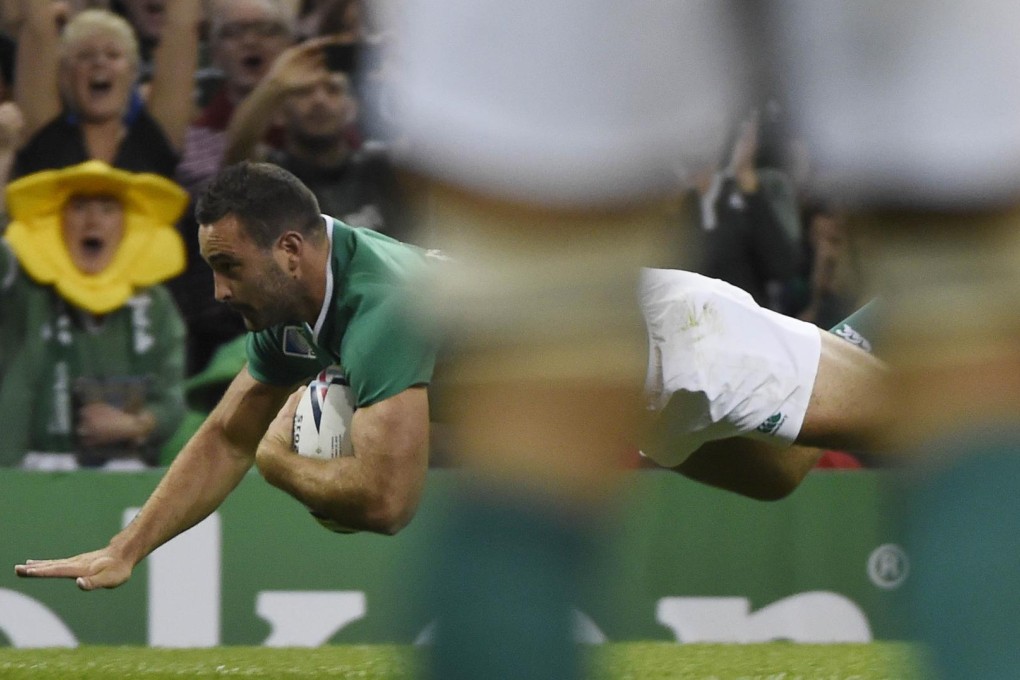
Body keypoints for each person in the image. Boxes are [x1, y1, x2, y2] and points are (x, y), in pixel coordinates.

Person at [0, 160, 188, 469]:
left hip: (121, 479)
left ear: (127, 225)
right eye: (78, 207)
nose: (92, 221)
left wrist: (135, 425)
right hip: (25, 477)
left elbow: (171, 399)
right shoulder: (26, 290)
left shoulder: (155, 304)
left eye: (107, 209)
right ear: (58, 220)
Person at [223, 37, 411, 241]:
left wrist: (404, 77)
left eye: (333, 90)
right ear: (279, 113)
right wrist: (275, 84)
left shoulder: (381, 167)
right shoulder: (269, 177)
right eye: (303, 92)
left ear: (352, 108)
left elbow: (430, 148)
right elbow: (236, 147)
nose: (319, 100)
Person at [10, 1, 202, 180]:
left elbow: (182, 27)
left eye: (113, 55)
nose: (99, 62)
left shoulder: (153, 143)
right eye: (85, 55)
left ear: (133, 73)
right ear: (65, 76)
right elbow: (37, 27)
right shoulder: (46, 141)